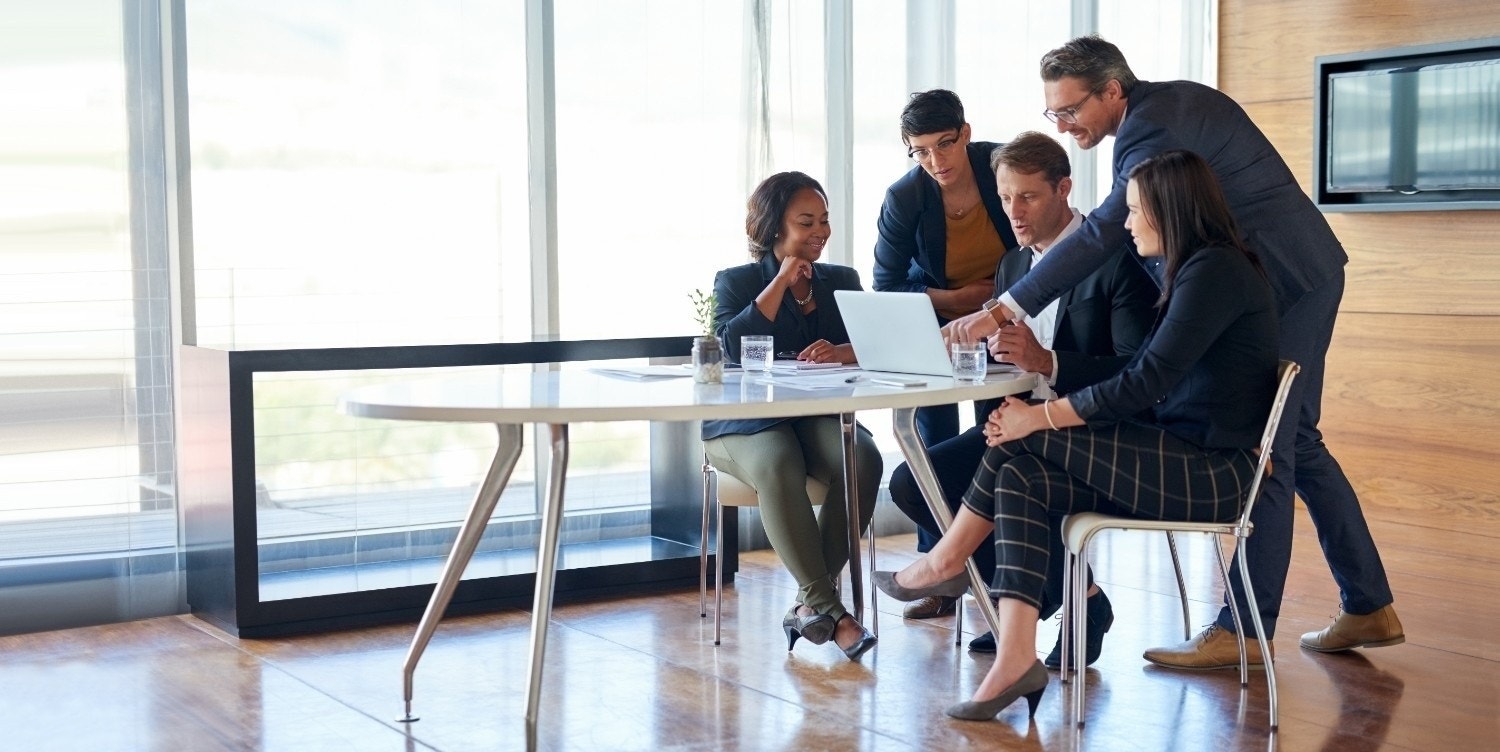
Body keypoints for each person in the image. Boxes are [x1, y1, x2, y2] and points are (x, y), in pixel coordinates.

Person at [945, 35, 1402, 667]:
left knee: (1274, 446)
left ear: (1112, 90)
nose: (1063, 124)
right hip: (1284, 274)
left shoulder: (1153, 127)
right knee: (1297, 441)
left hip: (1290, 277)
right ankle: (1368, 602)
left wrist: (1004, 308)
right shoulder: (1157, 112)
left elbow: (1104, 232)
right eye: (1053, 112)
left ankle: (1246, 628)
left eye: (1070, 110)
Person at [877, 149, 1279, 722]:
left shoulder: (1214, 271)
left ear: (1169, 210)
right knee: (1020, 473)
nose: (1126, 223)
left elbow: (1143, 381)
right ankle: (1016, 657)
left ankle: (946, 560)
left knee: (1018, 441)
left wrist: (1036, 418)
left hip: (1210, 472)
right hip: (1182, 457)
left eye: (1134, 210)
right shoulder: (1197, 268)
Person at [887, 132, 1157, 668]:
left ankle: (1036, 603)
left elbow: (1136, 374)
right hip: (1018, 426)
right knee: (913, 482)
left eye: (1028, 197)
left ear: (1064, 188)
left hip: (1090, 429)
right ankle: (1048, 597)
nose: (1014, 211)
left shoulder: (1118, 261)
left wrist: (1047, 361)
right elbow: (1006, 362)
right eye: (1006, 197)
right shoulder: (1012, 266)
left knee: (1010, 479)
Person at [704, 171, 879, 662]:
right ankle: (832, 610)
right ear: (774, 227)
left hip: (813, 416)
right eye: (807, 222)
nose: (821, 231)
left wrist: (842, 352)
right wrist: (781, 280)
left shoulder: (841, 281)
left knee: (862, 458)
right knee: (779, 460)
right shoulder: (736, 281)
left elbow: (873, 343)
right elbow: (730, 348)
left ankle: (808, 606)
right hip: (743, 423)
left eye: (824, 220)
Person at [873, 89, 1019, 448]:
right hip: (938, 323)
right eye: (921, 151)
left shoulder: (1005, 167)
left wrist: (1000, 302)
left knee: (997, 427)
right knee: (937, 437)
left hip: (1008, 314)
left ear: (965, 133)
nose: (935, 161)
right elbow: (886, 285)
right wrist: (955, 298)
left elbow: (1044, 243)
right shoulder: (904, 197)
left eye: (944, 144)